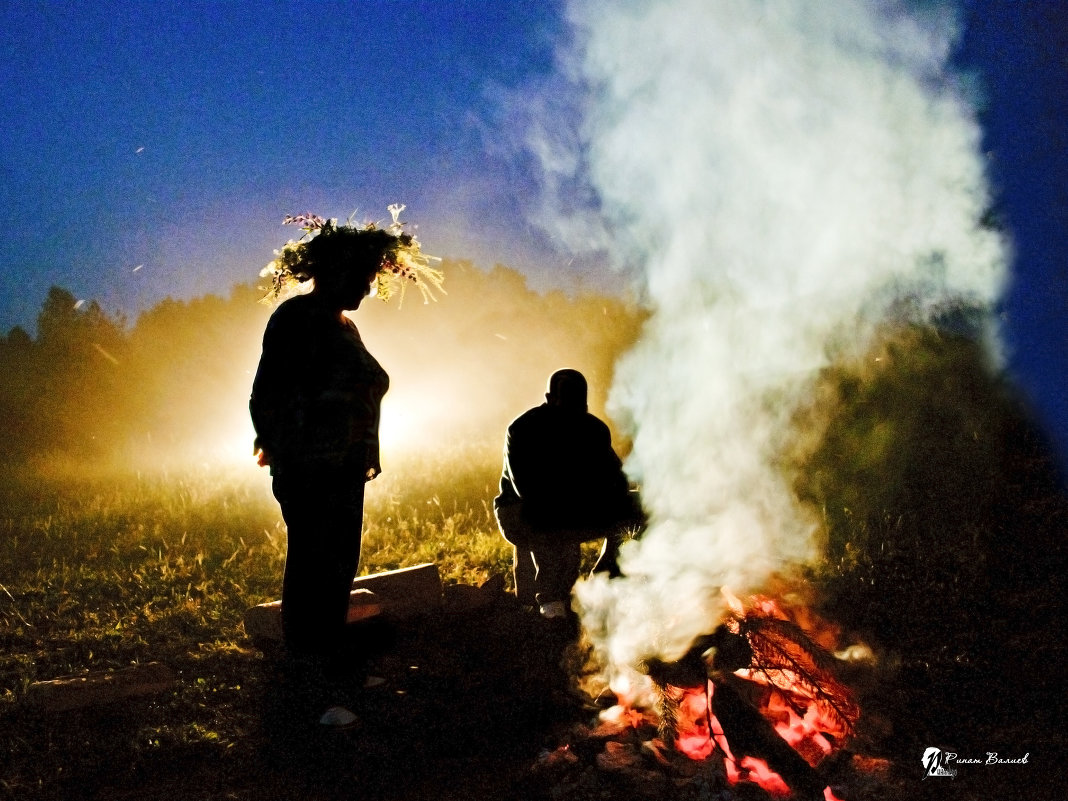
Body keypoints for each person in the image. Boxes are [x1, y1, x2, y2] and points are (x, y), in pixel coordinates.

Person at [249, 209, 441, 726]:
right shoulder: (295, 319)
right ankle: (309, 682)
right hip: (311, 469)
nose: (367, 288)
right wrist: (281, 447)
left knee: (336, 569)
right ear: (331, 272)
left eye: (371, 279)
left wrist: (361, 448)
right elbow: (267, 391)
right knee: (314, 568)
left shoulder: (345, 326)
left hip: (344, 468)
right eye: (360, 278)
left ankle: (331, 667)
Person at [494, 369, 642, 619]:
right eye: (566, 404)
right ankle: (551, 603)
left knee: (641, 506)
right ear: (549, 399)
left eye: (579, 406)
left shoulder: (594, 430)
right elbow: (527, 491)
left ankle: (603, 584)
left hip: (577, 508)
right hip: (522, 512)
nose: (573, 414)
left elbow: (618, 482)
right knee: (546, 513)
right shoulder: (523, 429)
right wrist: (583, 498)